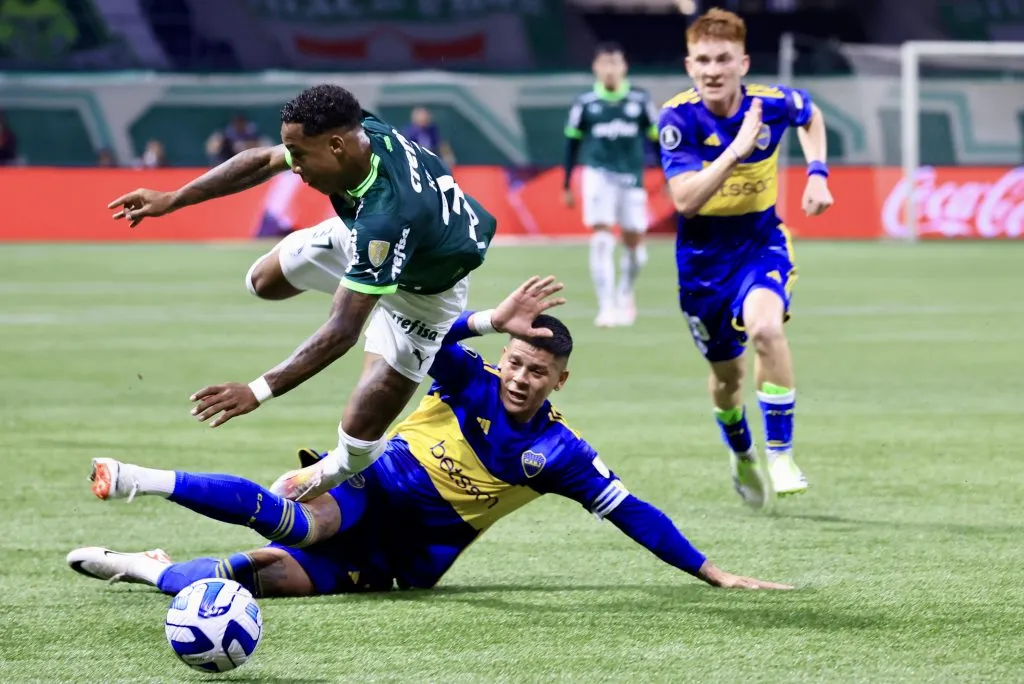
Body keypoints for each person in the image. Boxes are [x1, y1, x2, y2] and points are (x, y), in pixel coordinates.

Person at [67, 277, 792, 596]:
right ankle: (140, 480)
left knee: (240, 579)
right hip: (366, 490)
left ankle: (145, 567)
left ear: (557, 382)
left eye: (536, 371)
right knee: (294, 520)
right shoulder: (467, 377)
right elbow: (424, 326)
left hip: (405, 560)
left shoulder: (560, 455)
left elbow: (633, 512)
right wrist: (487, 320)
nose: (518, 377)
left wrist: (711, 570)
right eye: (514, 361)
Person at [106, 84, 499, 504]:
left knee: (359, 447)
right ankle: (356, 271)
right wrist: (173, 199)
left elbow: (343, 330)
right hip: (365, 241)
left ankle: (332, 469)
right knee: (262, 282)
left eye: (301, 154)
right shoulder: (356, 129)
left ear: (335, 146)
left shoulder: (386, 216)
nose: (293, 165)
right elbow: (262, 160)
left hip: (425, 294)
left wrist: (256, 390)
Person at [657, 9, 833, 510]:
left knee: (766, 330)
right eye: (704, 60)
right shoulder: (677, 118)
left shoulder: (773, 103)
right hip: (702, 263)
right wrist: (735, 149)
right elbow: (686, 200)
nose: (714, 69)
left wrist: (818, 172)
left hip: (760, 243)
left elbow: (810, 113)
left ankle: (782, 453)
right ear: (690, 66)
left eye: (724, 59)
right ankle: (742, 454)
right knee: (726, 378)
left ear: (743, 62)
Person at [563, 42, 660, 328]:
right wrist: (566, 183)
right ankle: (606, 306)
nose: (609, 69)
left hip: (632, 181)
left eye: (614, 63)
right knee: (602, 238)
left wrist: (668, 177)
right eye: (603, 63)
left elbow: (657, 140)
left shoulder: (641, 100)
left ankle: (625, 294)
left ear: (624, 66)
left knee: (635, 248)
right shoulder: (586, 103)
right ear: (595, 67)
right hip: (597, 176)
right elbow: (572, 143)